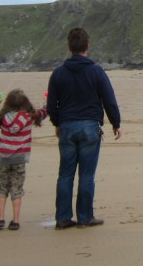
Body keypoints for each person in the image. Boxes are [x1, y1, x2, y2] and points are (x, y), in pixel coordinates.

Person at [46, 27, 122, 229]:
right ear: (87, 46)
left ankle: (63, 217)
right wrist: (116, 123)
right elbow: (109, 100)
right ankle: (85, 217)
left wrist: (57, 123)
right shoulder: (96, 71)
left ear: (69, 47)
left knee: (65, 174)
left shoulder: (58, 74)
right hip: (89, 126)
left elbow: (51, 105)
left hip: (68, 126)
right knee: (86, 175)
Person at [0, 88, 46, 230]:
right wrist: (46, 100)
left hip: (4, 157)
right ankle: (15, 220)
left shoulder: (2, 116)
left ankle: (0, 218)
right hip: (19, 158)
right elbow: (43, 113)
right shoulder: (28, 117)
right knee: (17, 188)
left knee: (2, 187)